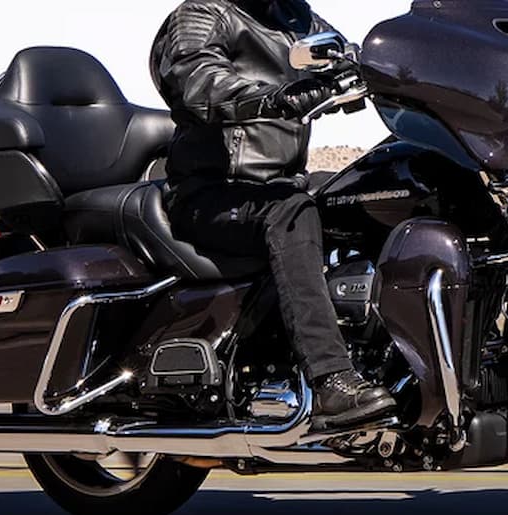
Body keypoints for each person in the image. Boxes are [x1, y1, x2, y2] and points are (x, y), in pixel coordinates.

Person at [150, 0, 395, 430]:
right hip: (212, 193)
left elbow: (353, 56)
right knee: (292, 211)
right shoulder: (204, 16)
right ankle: (330, 381)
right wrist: (273, 98)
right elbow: (199, 81)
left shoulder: (298, 19)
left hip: (279, 187)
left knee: (369, 190)